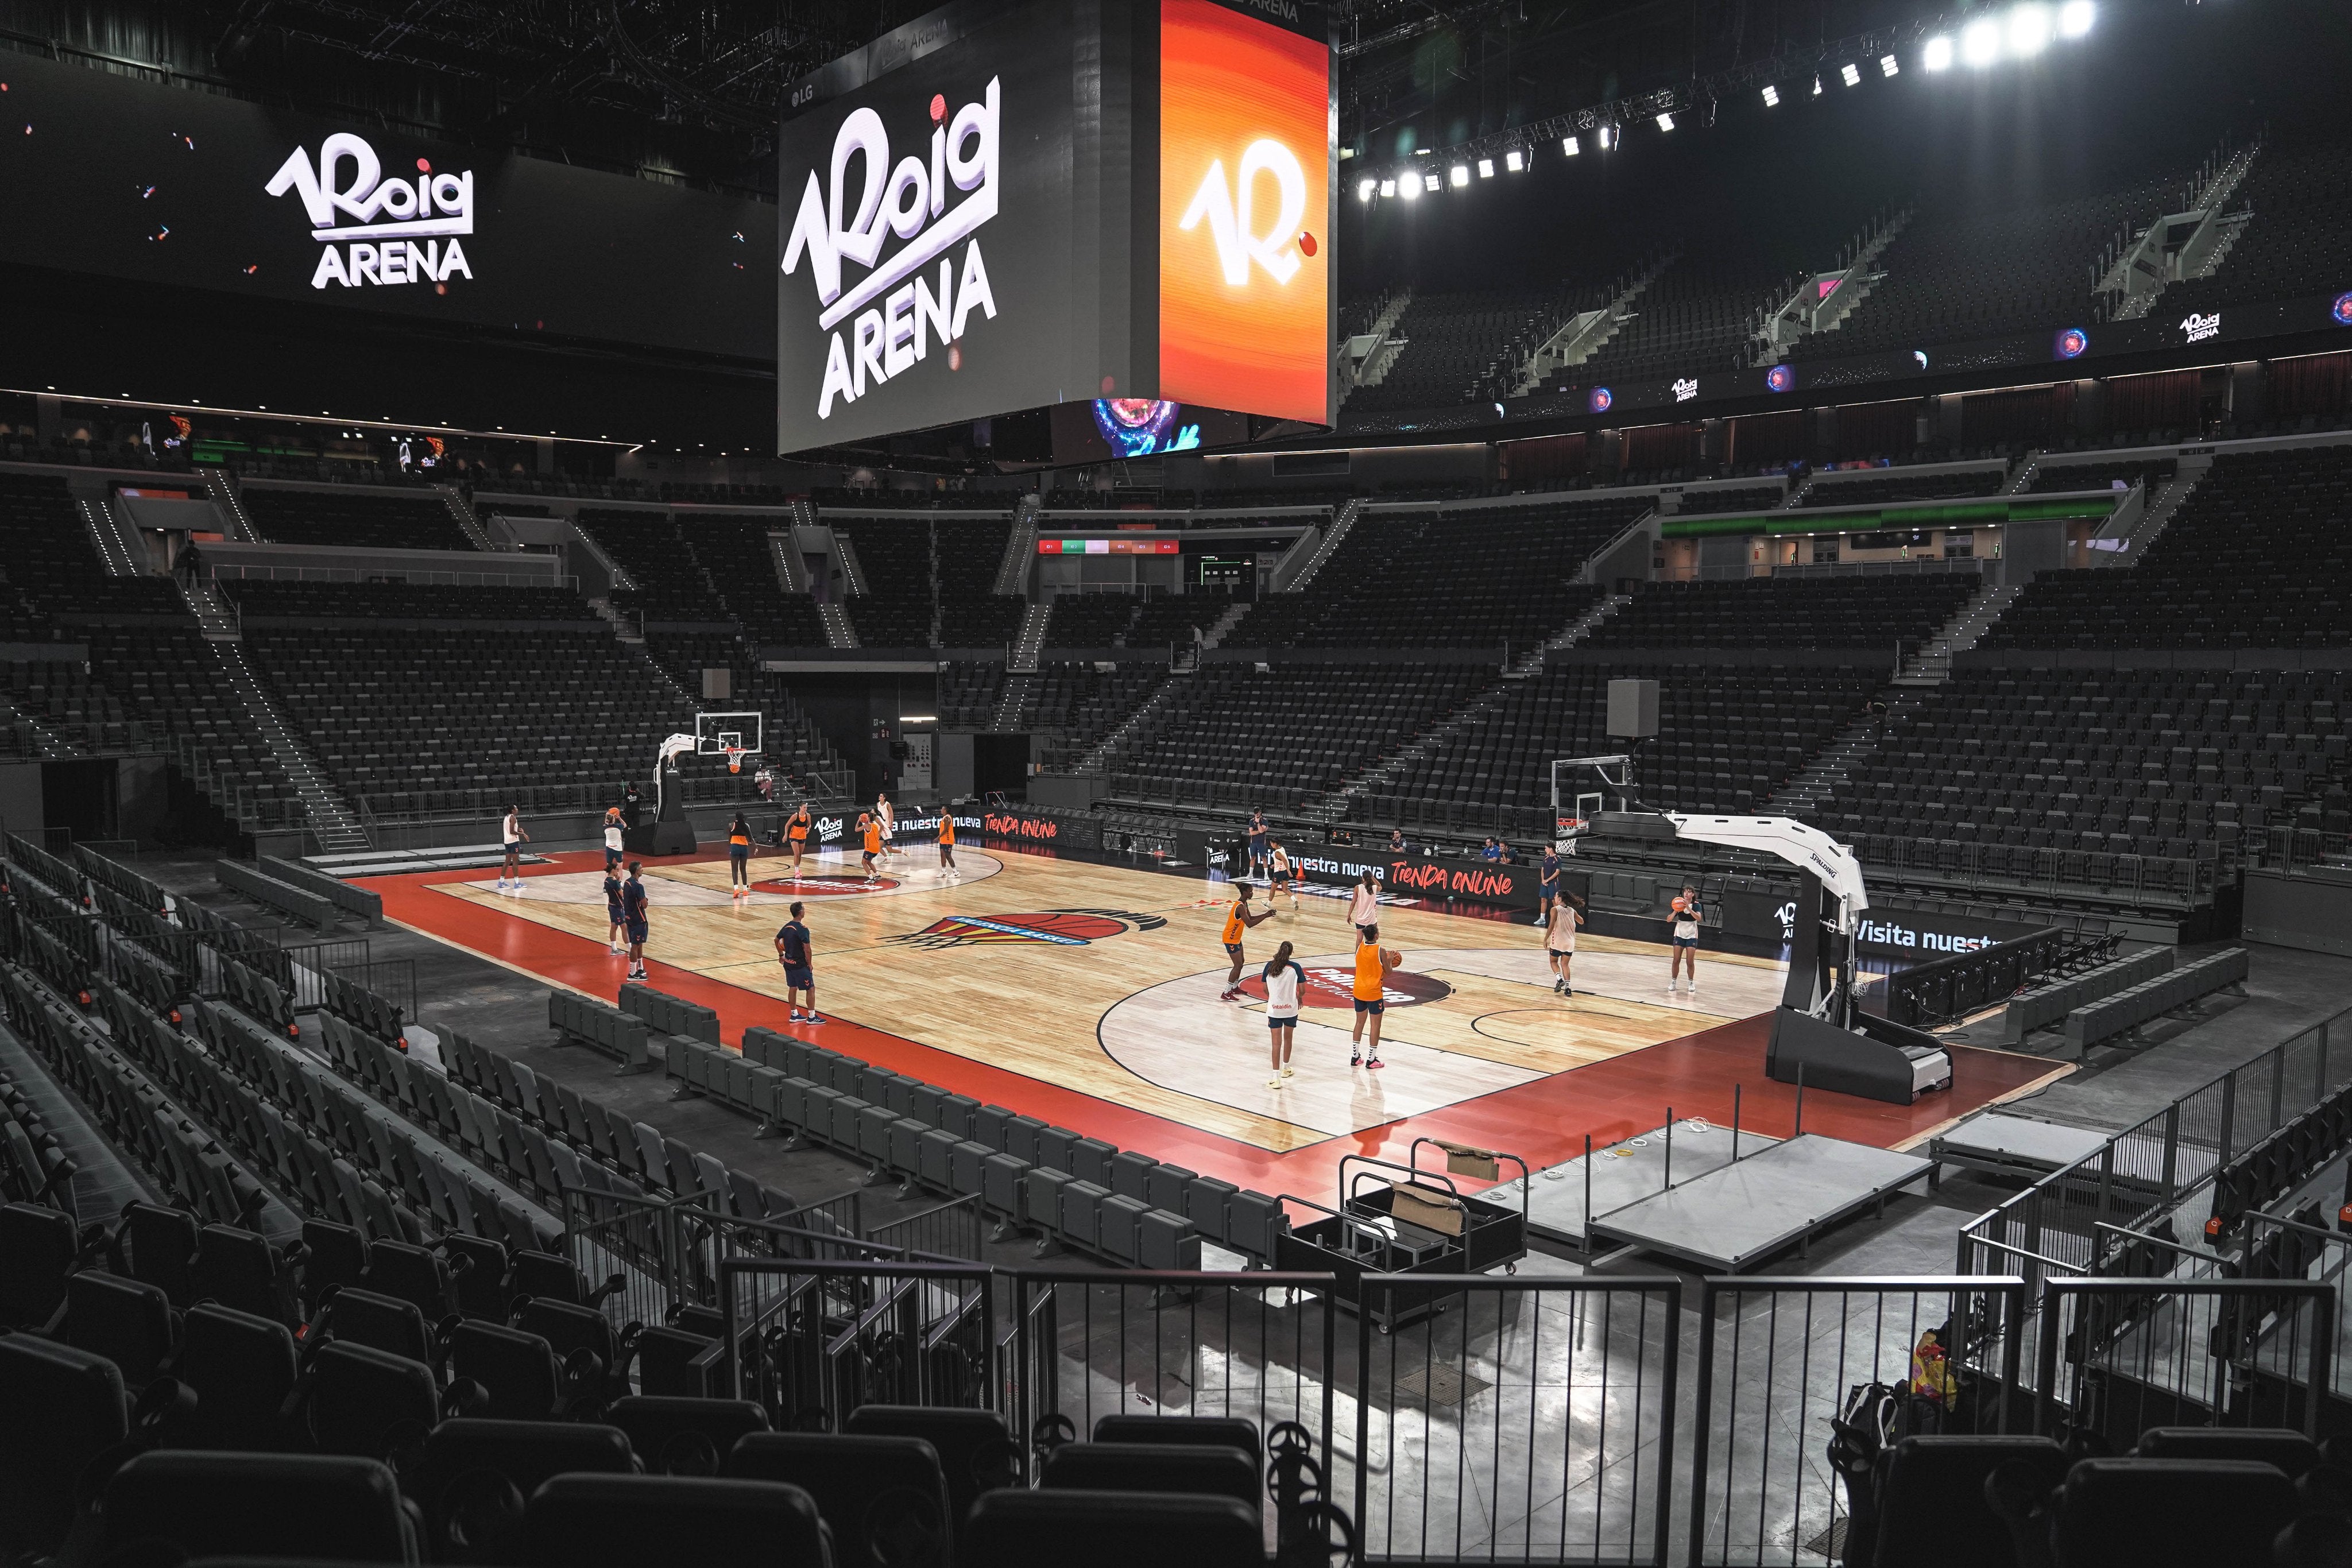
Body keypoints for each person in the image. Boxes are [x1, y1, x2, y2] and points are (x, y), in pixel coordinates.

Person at [1351, 924, 1399, 1070]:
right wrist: (1390, 959)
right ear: (1376, 936)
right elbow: (1389, 972)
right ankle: (1371, 1060)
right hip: (1373, 992)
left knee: (1359, 1023)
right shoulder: (1381, 950)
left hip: (1358, 990)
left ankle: (1355, 1057)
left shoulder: (1359, 947)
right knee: (1375, 1025)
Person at [1218, 882, 1275, 1001]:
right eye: (1250, 891)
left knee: (1242, 962)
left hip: (1236, 938)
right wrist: (1265, 915)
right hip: (1230, 938)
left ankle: (1234, 988)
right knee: (1238, 965)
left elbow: (1250, 919)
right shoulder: (1239, 906)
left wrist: (1266, 915)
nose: (1252, 893)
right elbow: (1249, 924)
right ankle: (1226, 992)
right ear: (1245, 892)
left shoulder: (1244, 904)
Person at [1262, 939, 1303, 1089]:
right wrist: (1299, 997)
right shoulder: (1296, 968)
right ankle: (1286, 1068)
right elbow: (1303, 990)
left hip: (1274, 1009)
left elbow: (1265, 990)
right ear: (1291, 953)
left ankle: (1275, 1077)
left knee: (1276, 1044)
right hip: (1291, 1009)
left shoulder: (1269, 966)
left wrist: (1273, 998)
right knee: (1288, 1039)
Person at [776, 900, 820, 1024]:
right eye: (804, 909)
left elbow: (776, 940)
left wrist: (781, 955)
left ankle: (794, 1014)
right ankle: (812, 1017)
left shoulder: (787, 926)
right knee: (810, 988)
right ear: (801, 912)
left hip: (788, 963)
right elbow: (807, 949)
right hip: (800, 964)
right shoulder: (802, 929)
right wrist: (810, 964)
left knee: (793, 987)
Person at [1546, 892, 1585, 996]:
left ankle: (1559, 980)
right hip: (1570, 943)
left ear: (1559, 899)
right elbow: (1581, 922)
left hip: (1558, 941)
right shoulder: (1572, 911)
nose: (1554, 897)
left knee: (1553, 962)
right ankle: (1568, 988)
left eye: (1555, 896)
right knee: (1565, 964)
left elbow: (1551, 925)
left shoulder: (1555, 909)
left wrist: (1545, 939)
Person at [1669, 882, 1703, 994]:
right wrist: (1675, 910)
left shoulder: (1697, 905)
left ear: (1693, 894)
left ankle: (1691, 982)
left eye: (1689, 892)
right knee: (1676, 960)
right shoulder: (1678, 904)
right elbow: (1668, 920)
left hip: (1692, 935)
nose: (1686, 894)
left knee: (1690, 962)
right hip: (1680, 933)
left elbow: (1699, 918)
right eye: (1685, 892)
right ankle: (1673, 982)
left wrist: (1688, 908)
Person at [621, 860, 651, 981]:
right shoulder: (639, 886)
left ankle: (640, 968)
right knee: (635, 945)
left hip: (629, 917)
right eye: (641, 868)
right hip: (638, 919)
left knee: (639, 944)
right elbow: (644, 905)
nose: (642, 869)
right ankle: (632, 973)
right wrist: (646, 900)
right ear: (637, 871)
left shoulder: (627, 883)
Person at [498, 804, 529, 891]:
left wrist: (519, 830)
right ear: (513, 811)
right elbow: (512, 831)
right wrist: (523, 834)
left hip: (507, 842)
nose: (517, 809)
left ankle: (501, 882)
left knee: (507, 862)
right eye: (516, 808)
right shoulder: (513, 818)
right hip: (513, 842)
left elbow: (511, 829)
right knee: (515, 862)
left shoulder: (507, 817)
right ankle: (517, 883)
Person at [1267, 838, 1298, 913]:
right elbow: (1283, 861)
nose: (1271, 845)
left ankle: (1268, 904)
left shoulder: (1277, 853)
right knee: (1285, 889)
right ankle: (1294, 900)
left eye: (1271, 843)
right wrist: (1275, 865)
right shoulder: (1282, 848)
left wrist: (1289, 871)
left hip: (1279, 872)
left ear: (1275, 844)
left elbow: (1284, 860)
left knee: (1273, 889)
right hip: (1284, 872)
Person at [602, 861, 627, 955]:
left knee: (614, 927)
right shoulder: (614, 882)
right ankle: (630, 949)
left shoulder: (607, 881)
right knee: (624, 927)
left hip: (611, 905)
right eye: (617, 870)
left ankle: (614, 949)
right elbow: (622, 894)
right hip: (618, 907)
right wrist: (619, 882)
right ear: (613, 870)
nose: (618, 872)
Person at [1347, 869, 1379, 935]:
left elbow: (1353, 903)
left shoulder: (1357, 888)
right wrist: (1373, 878)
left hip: (1360, 919)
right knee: (1374, 938)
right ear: (1371, 878)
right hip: (1371, 919)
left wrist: (1349, 915)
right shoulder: (1374, 887)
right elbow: (1380, 887)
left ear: (1363, 878)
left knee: (1359, 941)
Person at [786, 801, 813, 880]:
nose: (805, 809)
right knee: (797, 854)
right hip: (794, 836)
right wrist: (785, 835)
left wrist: (808, 828)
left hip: (803, 836)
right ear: (800, 807)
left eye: (806, 808)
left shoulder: (808, 816)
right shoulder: (795, 816)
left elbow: (810, 825)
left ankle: (798, 869)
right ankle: (796, 871)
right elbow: (787, 825)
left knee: (800, 855)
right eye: (804, 807)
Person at [1536, 842, 1560, 926]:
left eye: (1546, 848)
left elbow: (1557, 872)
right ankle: (1542, 918)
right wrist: (1543, 880)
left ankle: (1557, 919)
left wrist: (1548, 880)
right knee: (1543, 899)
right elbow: (1542, 870)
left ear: (1551, 849)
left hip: (1553, 883)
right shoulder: (1545, 858)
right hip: (1544, 882)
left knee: (1554, 900)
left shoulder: (1558, 858)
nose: (1545, 850)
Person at [875, 792, 898, 866]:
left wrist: (891, 824)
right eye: (879, 796)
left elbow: (891, 814)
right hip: (881, 826)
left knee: (887, 843)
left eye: (881, 796)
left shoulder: (887, 804)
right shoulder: (878, 804)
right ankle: (887, 857)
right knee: (879, 845)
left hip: (887, 826)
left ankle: (889, 853)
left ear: (884, 798)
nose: (879, 797)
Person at [937, 806, 959, 881]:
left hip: (947, 840)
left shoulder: (947, 818)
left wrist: (938, 837)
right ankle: (944, 872)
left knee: (948, 856)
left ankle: (956, 873)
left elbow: (946, 830)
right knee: (943, 855)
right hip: (943, 840)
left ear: (945, 810)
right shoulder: (945, 817)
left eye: (942, 809)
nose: (941, 810)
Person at [858, 810, 881, 882]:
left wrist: (859, 821)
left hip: (870, 848)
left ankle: (871, 879)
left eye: (867, 816)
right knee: (868, 862)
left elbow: (856, 830)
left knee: (864, 863)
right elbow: (881, 829)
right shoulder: (875, 825)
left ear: (868, 818)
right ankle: (878, 875)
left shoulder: (867, 826)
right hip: (877, 848)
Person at [1247, 808, 1269, 881]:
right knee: (1253, 858)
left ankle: (1266, 875)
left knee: (1264, 858)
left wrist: (1258, 824)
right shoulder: (1251, 821)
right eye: (1255, 814)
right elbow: (1251, 833)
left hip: (1261, 842)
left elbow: (1261, 830)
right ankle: (1251, 874)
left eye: (1258, 813)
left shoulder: (1264, 820)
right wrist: (1261, 831)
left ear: (1260, 812)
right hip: (1253, 842)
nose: (1256, 815)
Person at [602, 807, 625, 873]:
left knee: (608, 868)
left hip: (609, 848)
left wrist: (608, 814)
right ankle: (620, 881)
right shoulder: (619, 827)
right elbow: (625, 825)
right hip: (618, 849)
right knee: (620, 868)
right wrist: (620, 818)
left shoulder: (605, 827)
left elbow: (606, 821)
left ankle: (608, 880)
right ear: (614, 820)